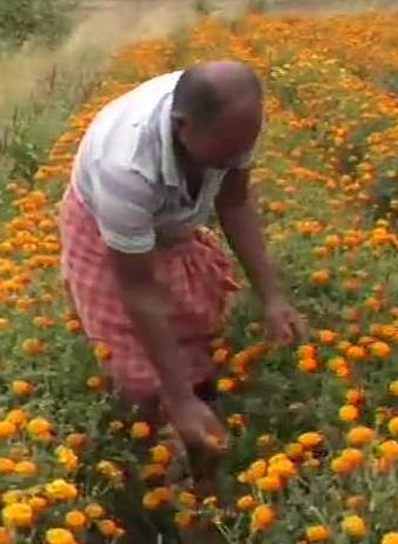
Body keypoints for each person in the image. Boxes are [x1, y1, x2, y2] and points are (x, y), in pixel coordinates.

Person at [58, 61, 306, 495]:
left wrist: (273, 297)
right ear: (182, 126)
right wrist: (176, 397)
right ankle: (152, 461)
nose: (236, 158)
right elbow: (139, 292)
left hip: (169, 223)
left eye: (242, 148)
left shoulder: (231, 126)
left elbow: (235, 202)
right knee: (137, 373)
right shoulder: (125, 169)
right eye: (226, 152)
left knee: (196, 325)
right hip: (104, 229)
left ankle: (198, 430)